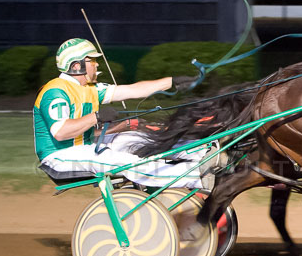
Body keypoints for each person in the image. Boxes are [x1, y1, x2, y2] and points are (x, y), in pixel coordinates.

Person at [33, 38, 197, 181]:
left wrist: (171, 82)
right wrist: (96, 116)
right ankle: (194, 177)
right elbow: (61, 132)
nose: (97, 64)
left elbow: (132, 90)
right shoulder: (55, 92)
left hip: (84, 146)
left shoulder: (90, 89)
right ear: (76, 66)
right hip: (59, 156)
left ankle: (198, 154)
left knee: (139, 139)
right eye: (92, 60)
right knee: (124, 162)